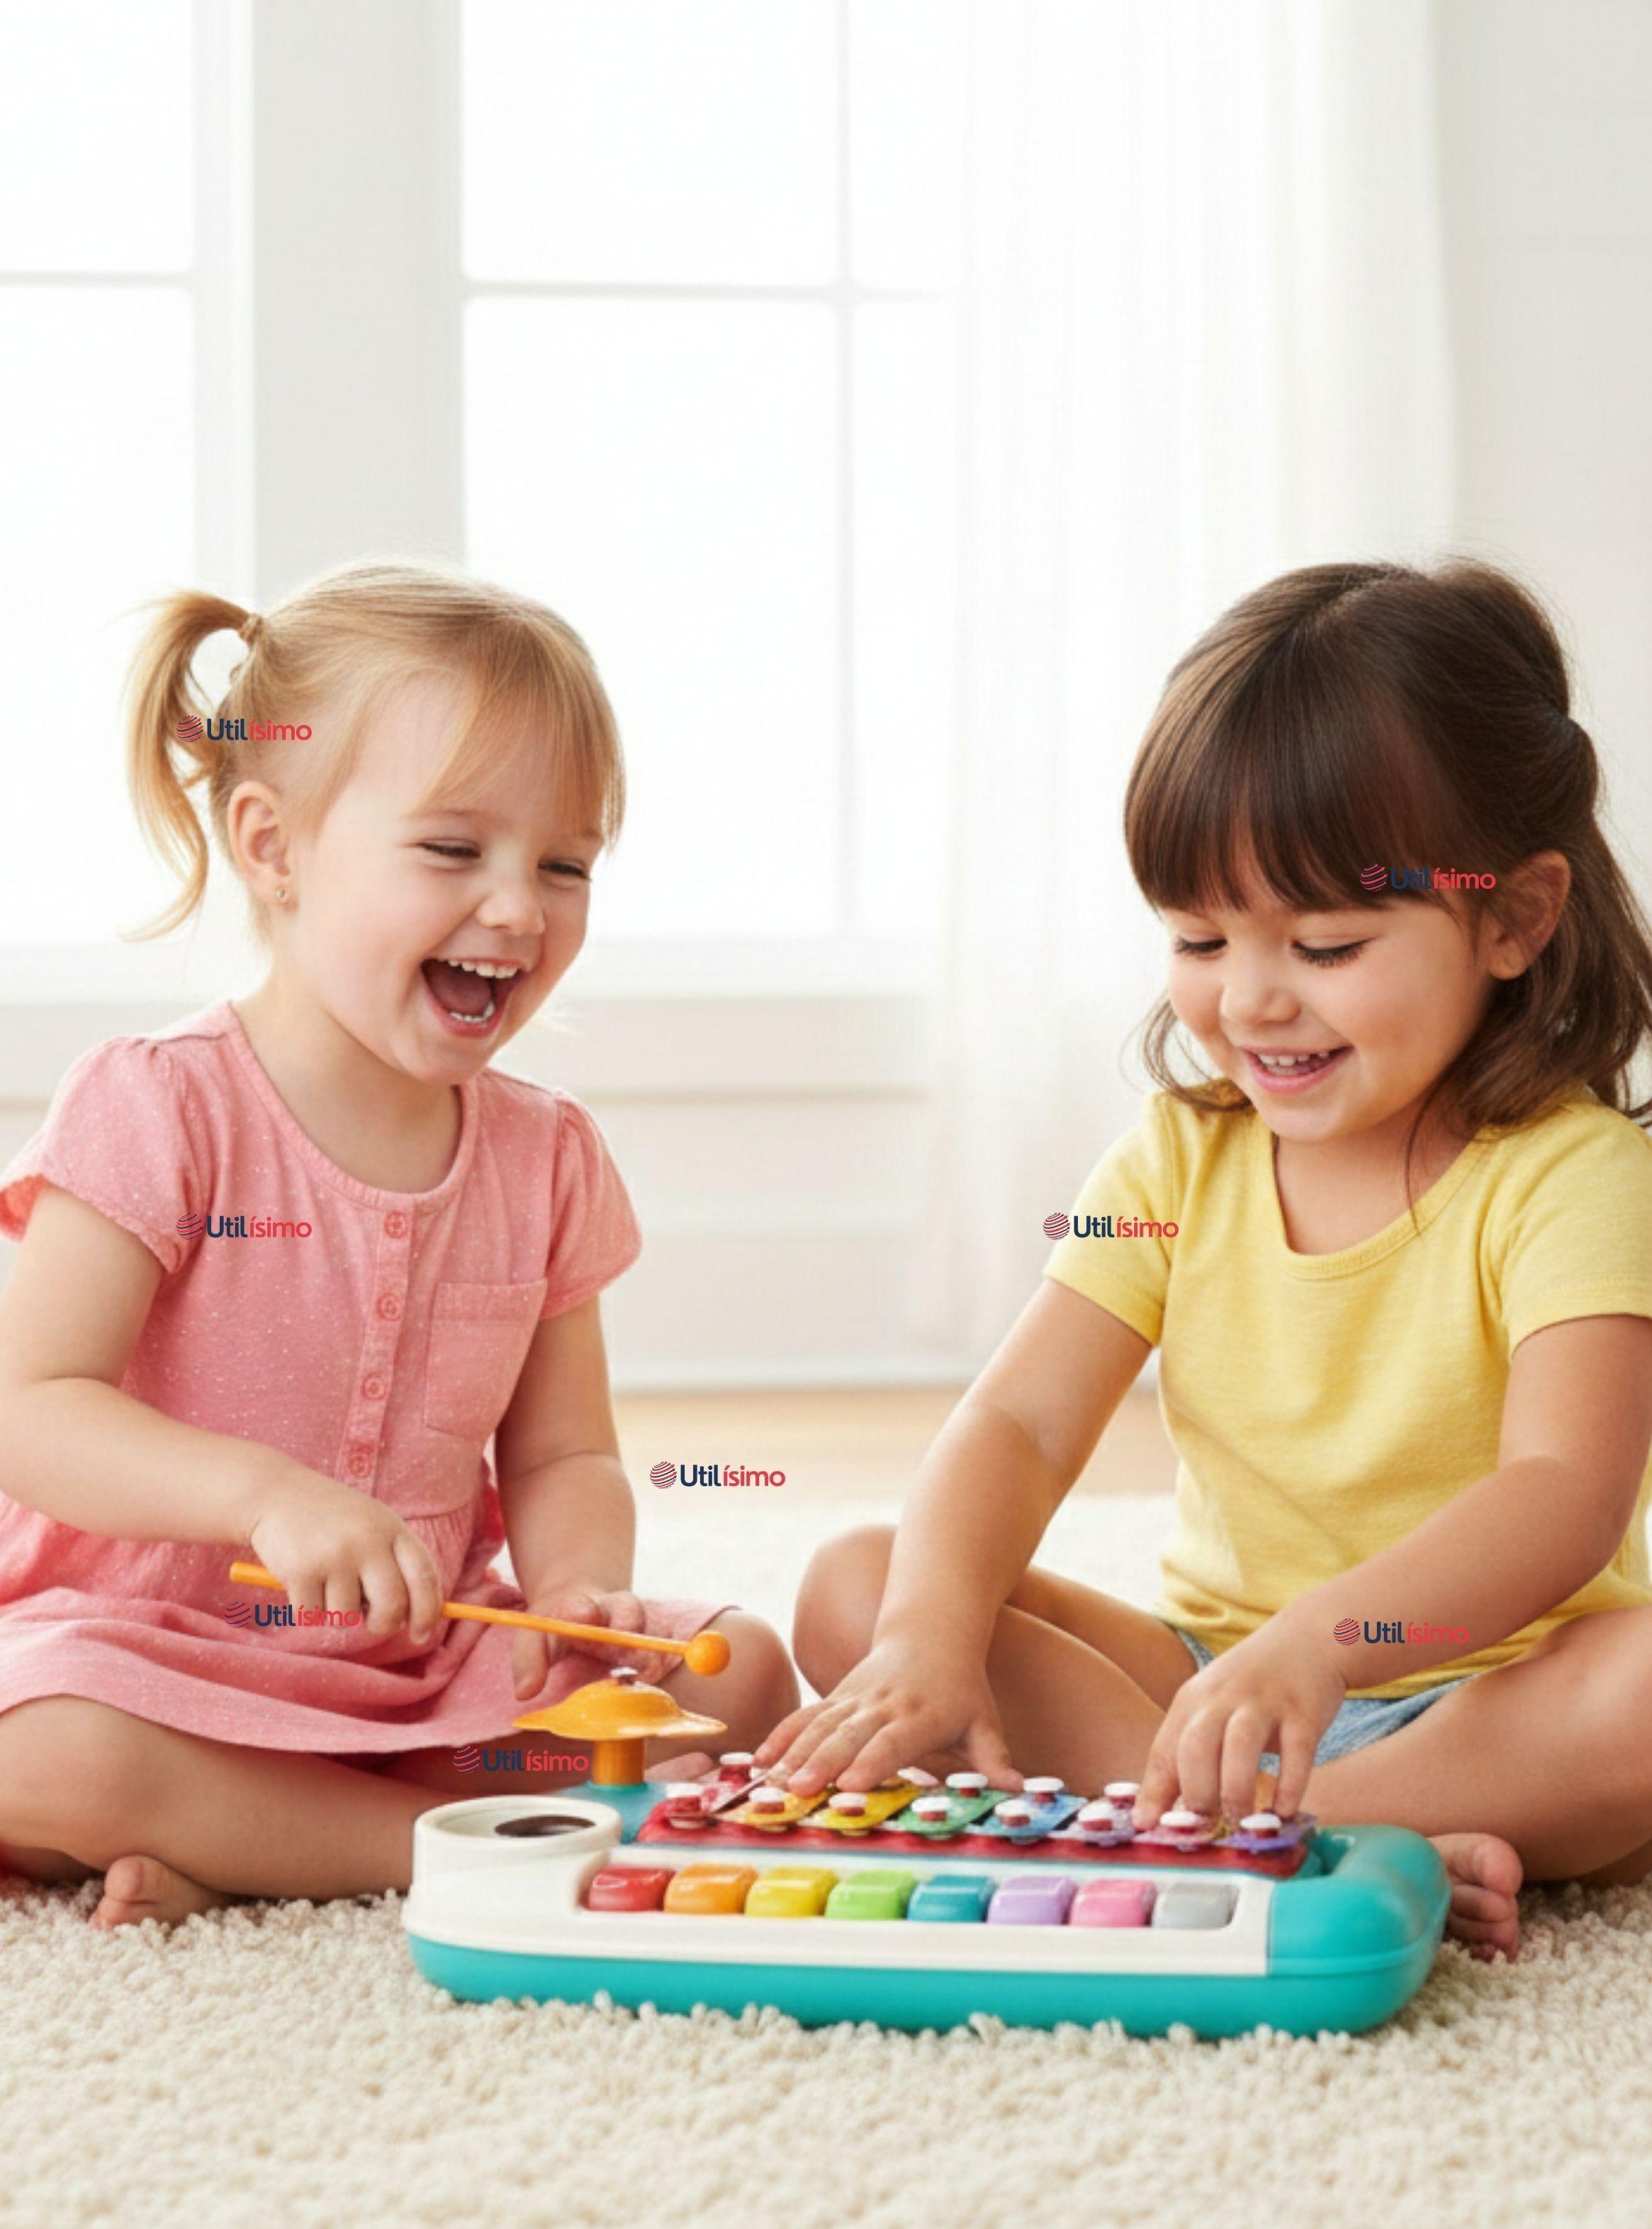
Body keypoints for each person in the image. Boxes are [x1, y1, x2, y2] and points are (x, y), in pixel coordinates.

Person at [762, 558, 1652, 1960]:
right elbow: (1017, 1420)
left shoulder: (1576, 1177)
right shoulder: (1171, 1162)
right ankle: (1335, 1842)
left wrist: (1326, 1646)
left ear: (1511, 920)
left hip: (1478, 1692)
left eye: (1325, 943)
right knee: (857, 1585)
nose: (1248, 998)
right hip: (1199, 1685)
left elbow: (1562, 1496)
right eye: (1197, 936)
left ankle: (1265, 1823)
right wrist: (925, 1636)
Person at [0, 561, 797, 1928]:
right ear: (273, 848)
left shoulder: (547, 1155)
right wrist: (262, 1497)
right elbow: (29, 1406)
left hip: (415, 1676)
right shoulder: (156, 1104)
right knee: (50, 1747)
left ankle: (270, 1843)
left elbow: (563, 1454)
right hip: (143, 1655)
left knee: (745, 1668)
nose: (520, 907)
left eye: (564, 864)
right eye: (453, 850)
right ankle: (436, 1844)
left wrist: (578, 1592)